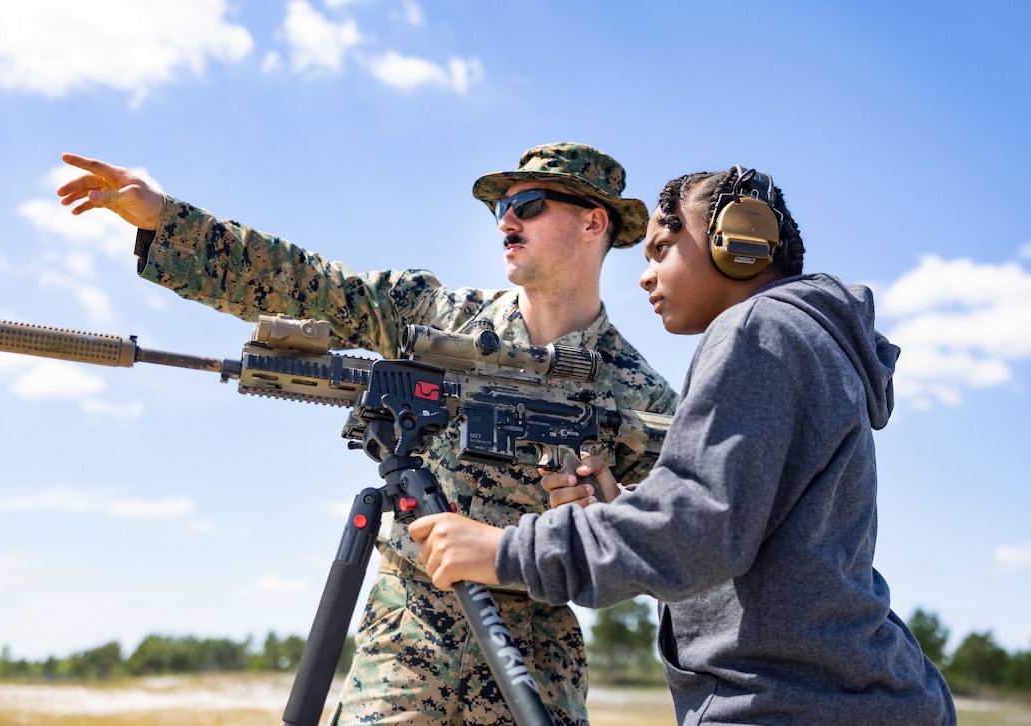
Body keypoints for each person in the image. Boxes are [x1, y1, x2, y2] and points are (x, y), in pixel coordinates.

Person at [57, 143, 679, 726]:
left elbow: (687, 541)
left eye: (528, 205)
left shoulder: (639, 396)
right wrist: (166, 219)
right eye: (499, 206)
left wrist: (609, 522)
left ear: (594, 223)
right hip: (408, 640)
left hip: (535, 661)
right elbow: (312, 284)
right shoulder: (437, 319)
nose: (505, 221)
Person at [410, 166, 957, 725]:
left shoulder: (756, 330)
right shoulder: (811, 341)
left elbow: (695, 528)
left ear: (738, 243)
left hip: (790, 705)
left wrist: (505, 552)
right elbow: (737, 547)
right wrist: (625, 511)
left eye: (663, 249)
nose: (647, 277)